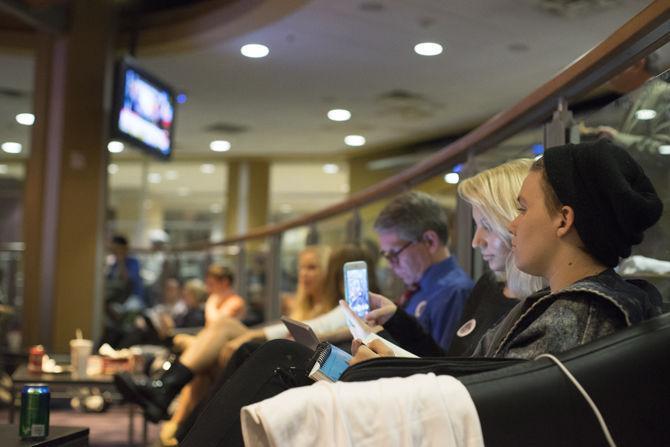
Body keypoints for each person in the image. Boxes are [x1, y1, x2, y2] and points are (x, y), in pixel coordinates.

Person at [180, 142, 663, 447]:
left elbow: (501, 412)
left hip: (437, 423)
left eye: (520, 208)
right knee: (290, 355)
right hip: (427, 405)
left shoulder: (577, 313)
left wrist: (380, 372)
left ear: (563, 220)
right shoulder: (571, 305)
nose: (510, 225)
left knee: (282, 359)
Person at [114, 263, 246, 422]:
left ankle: (163, 392)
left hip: (226, 345)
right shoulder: (216, 300)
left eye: (211, 283)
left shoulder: (234, 301)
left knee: (188, 346)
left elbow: (217, 323)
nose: (207, 288)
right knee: (181, 344)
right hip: (213, 342)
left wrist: (211, 302)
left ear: (224, 282)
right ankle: (162, 393)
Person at [374, 191, 474, 350]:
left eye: (394, 254)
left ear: (430, 241)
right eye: (386, 255)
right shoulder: (417, 288)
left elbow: (444, 365)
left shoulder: (453, 293)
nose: (391, 265)